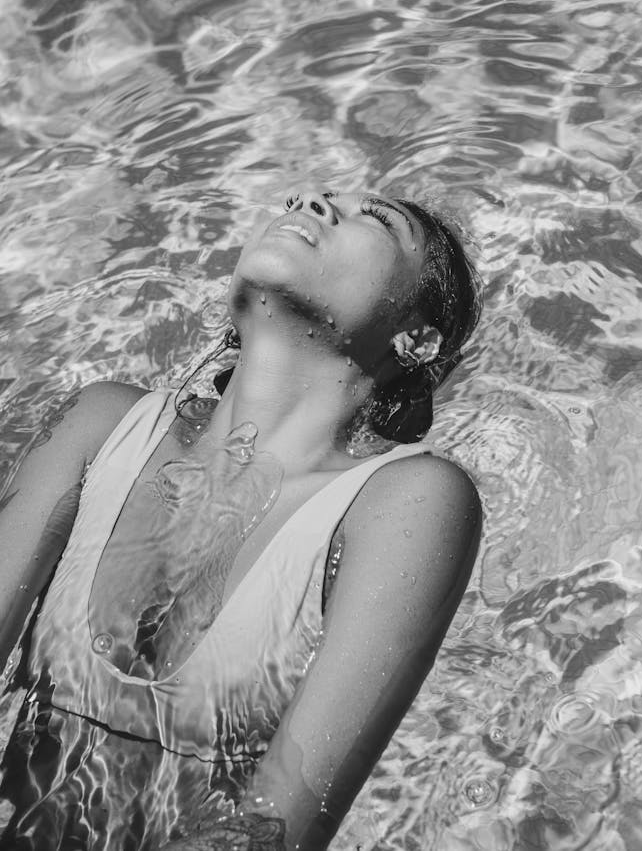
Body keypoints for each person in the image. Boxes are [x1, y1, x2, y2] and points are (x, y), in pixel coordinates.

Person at [0, 189, 483, 851]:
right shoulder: (100, 424)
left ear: (418, 338)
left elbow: (279, 823)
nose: (312, 201)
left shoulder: (406, 502)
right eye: (304, 195)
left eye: (374, 219)